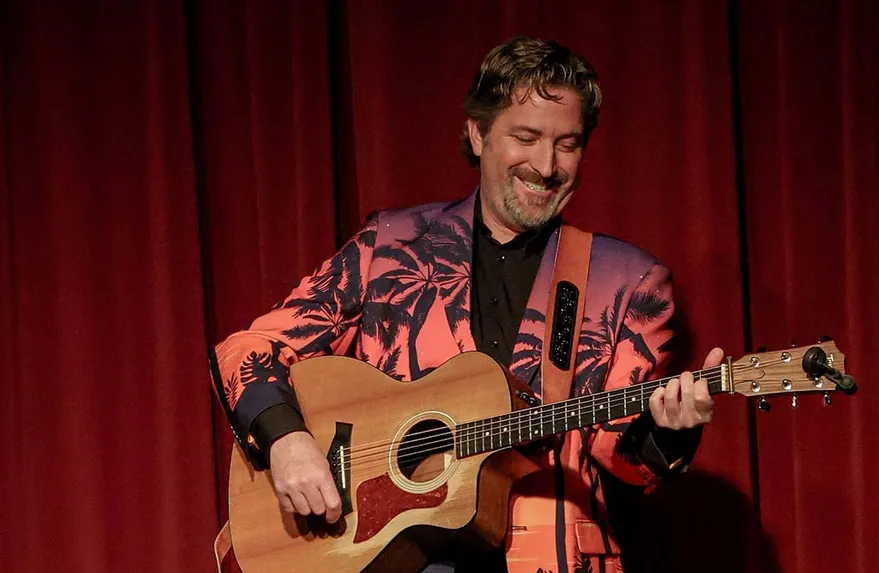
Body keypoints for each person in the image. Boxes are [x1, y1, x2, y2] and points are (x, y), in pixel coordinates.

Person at [211, 36, 721, 573]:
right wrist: (286, 440)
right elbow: (249, 347)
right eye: (525, 137)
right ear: (478, 134)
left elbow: (620, 461)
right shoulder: (393, 245)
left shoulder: (626, 280)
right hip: (385, 556)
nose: (546, 166)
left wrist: (671, 431)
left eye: (567, 144)